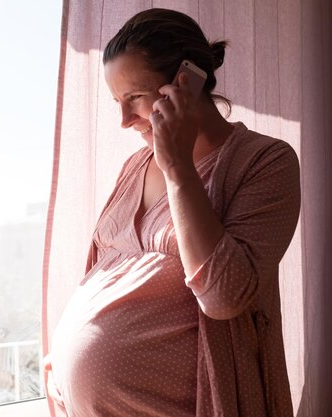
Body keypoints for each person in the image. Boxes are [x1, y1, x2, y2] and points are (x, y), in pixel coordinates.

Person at [44, 8, 301, 417]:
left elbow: (224, 296)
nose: (125, 120)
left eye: (134, 98)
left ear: (185, 82)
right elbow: (102, 273)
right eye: (116, 102)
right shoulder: (135, 167)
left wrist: (178, 166)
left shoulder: (265, 161)